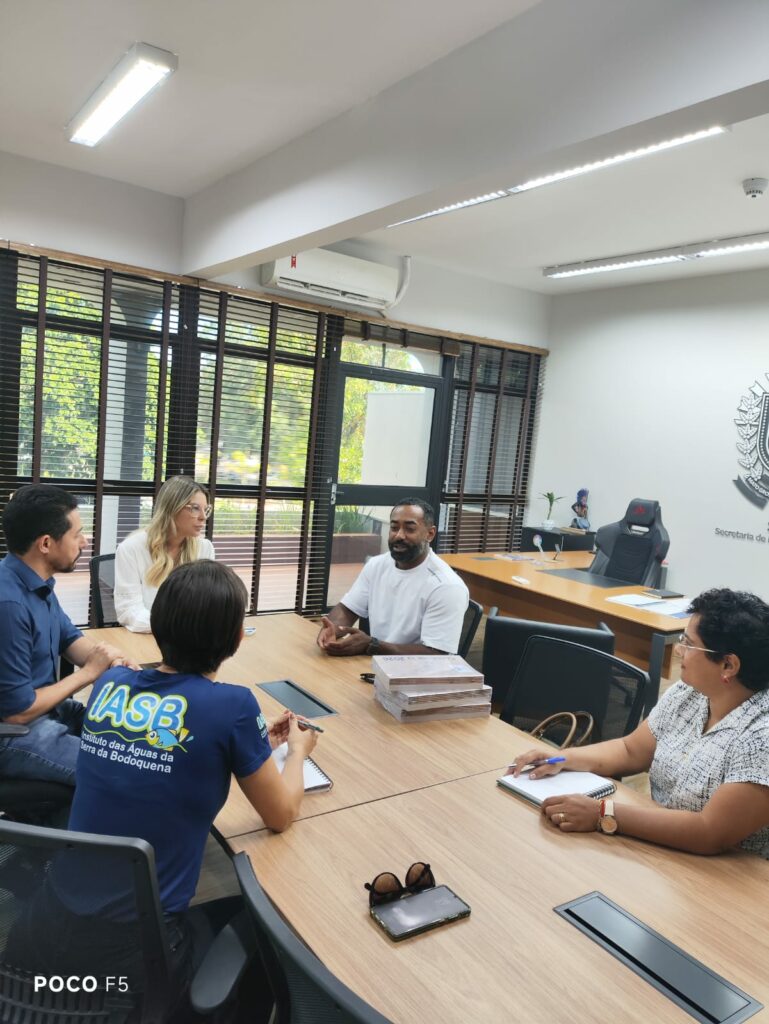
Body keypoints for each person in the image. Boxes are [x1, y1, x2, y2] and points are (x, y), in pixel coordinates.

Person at [54, 559, 318, 1011]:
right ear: (237, 638)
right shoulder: (233, 706)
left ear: (158, 625)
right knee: (269, 933)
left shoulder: (110, 682)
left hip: (50, 927)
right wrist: (296, 753)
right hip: (133, 959)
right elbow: (281, 815)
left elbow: (173, 742)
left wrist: (249, 743)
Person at [509, 588, 769, 857]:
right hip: (660, 849)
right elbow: (630, 750)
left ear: (728, 665)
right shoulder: (689, 693)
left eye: (689, 644)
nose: (679, 650)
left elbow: (708, 831)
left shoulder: (762, 736)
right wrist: (561, 758)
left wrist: (603, 814)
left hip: (732, 879)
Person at [0, 485, 133, 785]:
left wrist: (113, 660)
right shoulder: (8, 604)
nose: (84, 542)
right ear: (46, 543)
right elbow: (17, 713)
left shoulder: (37, 583)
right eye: (77, 534)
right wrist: (89, 672)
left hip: (49, 712)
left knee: (136, 739)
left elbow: (69, 638)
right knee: (119, 771)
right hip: (15, 733)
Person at [317, 498, 469, 657]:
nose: (399, 535)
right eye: (394, 527)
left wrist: (371, 645)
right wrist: (331, 629)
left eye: (410, 529)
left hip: (418, 675)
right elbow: (348, 609)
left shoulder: (446, 586)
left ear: (430, 534)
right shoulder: (376, 565)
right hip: (377, 664)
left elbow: (436, 653)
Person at [114, 475, 215, 632]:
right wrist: (177, 627)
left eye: (206, 509)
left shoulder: (204, 548)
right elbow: (128, 612)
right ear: (172, 508)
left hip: (192, 641)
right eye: (195, 508)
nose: (203, 517)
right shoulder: (131, 549)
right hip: (148, 638)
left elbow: (209, 604)